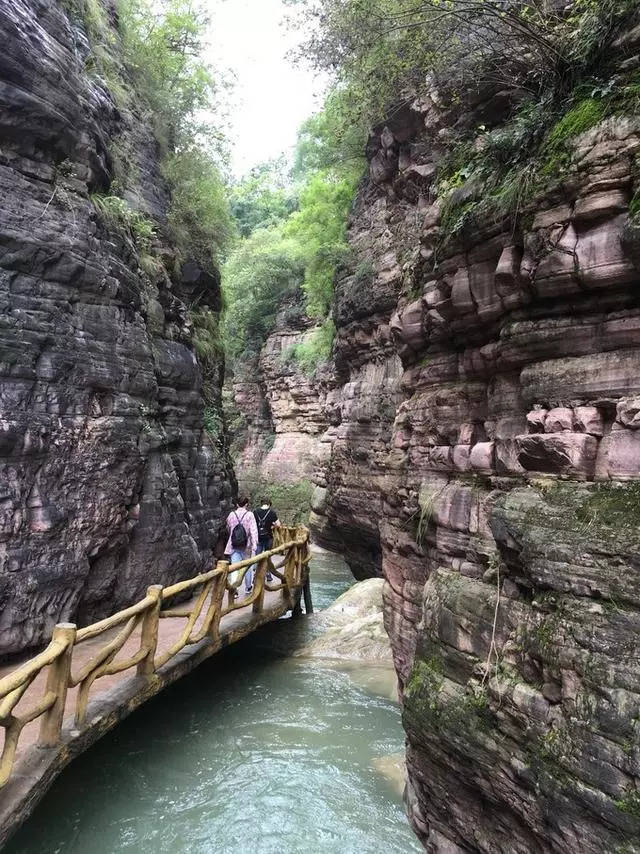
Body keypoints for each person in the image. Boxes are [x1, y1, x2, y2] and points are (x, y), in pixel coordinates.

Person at [225, 496, 259, 594]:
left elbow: (228, 527)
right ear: (246, 504)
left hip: (234, 545)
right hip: (246, 546)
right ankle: (248, 587)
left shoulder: (232, 514)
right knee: (247, 567)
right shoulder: (250, 515)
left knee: (235, 567)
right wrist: (254, 544)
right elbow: (253, 531)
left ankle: (234, 588)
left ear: (237, 504)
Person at [254, 498, 281, 583]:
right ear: (269, 504)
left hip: (258, 538)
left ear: (261, 504)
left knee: (257, 557)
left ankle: (256, 577)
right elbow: (278, 525)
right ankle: (268, 574)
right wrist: (272, 526)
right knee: (267, 557)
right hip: (268, 537)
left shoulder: (255, 512)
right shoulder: (272, 513)